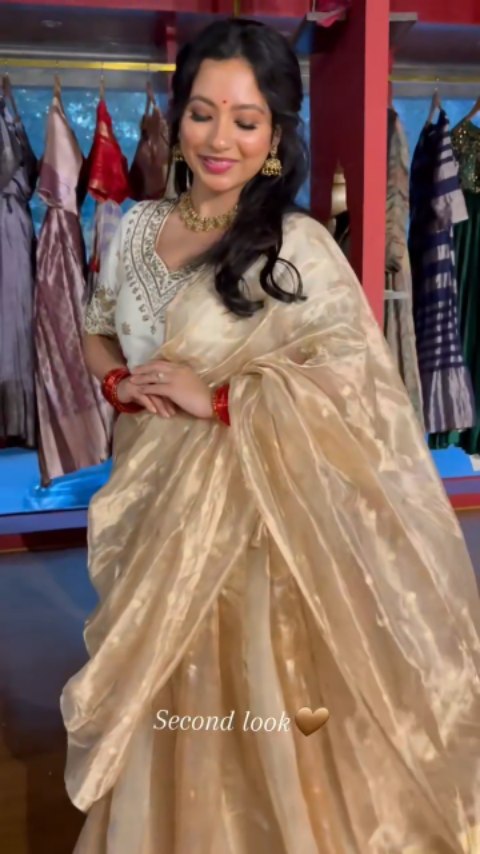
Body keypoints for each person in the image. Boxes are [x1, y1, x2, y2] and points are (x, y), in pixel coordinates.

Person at [61, 18, 480, 854]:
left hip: (262, 529)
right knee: (166, 695)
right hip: (153, 511)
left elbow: (357, 395)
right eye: (203, 113)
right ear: (177, 116)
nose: (221, 139)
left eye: (246, 120)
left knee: (262, 702)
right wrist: (115, 382)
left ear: (276, 136)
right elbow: (96, 326)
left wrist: (221, 399)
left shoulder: (301, 248)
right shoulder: (134, 227)